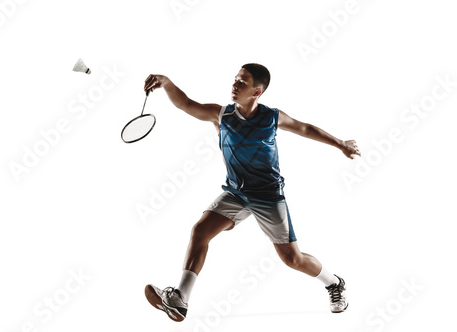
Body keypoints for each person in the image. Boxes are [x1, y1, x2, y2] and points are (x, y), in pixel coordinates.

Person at [143, 63, 361, 322]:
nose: (234, 85)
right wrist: (166, 82)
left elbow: (304, 128)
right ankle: (180, 299)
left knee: (292, 259)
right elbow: (186, 104)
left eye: (242, 82)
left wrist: (340, 144)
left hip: (268, 196)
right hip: (236, 193)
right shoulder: (221, 115)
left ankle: (334, 283)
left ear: (256, 92)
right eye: (235, 79)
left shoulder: (271, 117)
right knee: (200, 231)